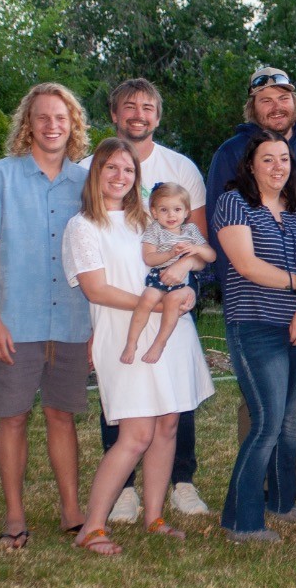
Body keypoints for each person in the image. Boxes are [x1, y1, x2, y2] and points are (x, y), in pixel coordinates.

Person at [64, 138, 215, 555]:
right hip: (125, 334)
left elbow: (196, 254)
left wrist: (186, 277)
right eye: (110, 168)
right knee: (134, 434)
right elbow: (96, 289)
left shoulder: (146, 221)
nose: (119, 176)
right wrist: (156, 305)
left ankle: (155, 517)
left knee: (168, 424)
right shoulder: (84, 226)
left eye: (127, 170)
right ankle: (92, 527)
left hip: (172, 331)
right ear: (95, 172)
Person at [0, 83, 92, 549]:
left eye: (61, 117)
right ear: (28, 124)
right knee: (12, 417)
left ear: (72, 124)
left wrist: (98, 327)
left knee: (62, 416)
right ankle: (15, 515)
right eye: (43, 117)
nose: (52, 125)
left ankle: (72, 510)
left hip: (74, 322)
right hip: (16, 322)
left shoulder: (86, 182)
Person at [206, 66, 296, 502]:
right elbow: (226, 233)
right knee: (261, 404)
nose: (276, 106)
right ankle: (257, 485)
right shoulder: (230, 152)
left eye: (284, 98)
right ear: (253, 107)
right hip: (256, 305)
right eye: (266, 99)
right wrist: (244, 285)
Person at [88, 78, 213, 521]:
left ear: (158, 117)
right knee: (123, 392)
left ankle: (182, 480)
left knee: (175, 394)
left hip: (173, 288)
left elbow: (197, 240)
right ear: (114, 114)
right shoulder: (90, 169)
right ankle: (123, 489)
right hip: (118, 302)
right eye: (129, 107)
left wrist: (183, 281)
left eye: (147, 107)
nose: (138, 114)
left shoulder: (181, 168)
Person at [214, 131, 296, 542]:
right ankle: (244, 522)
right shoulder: (234, 204)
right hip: (255, 327)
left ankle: (282, 503)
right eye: (268, 159)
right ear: (250, 166)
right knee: (265, 423)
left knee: (290, 422)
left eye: (284, 159)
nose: (278, 167)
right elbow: (246, 265)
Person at [122, 183, 216, 365]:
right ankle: (131, 343)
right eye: (164, 210)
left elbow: (211, 256)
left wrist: (197, 248)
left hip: (184, 281)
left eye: (177, 209)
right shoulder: (154, 230)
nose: (171, 215)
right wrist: (170, 253)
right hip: (159, 274)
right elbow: (149, 258)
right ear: (154, 212)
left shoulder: (191, 231)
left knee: (173, 301)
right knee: (146, 299)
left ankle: (160, 343)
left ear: (187, 211)